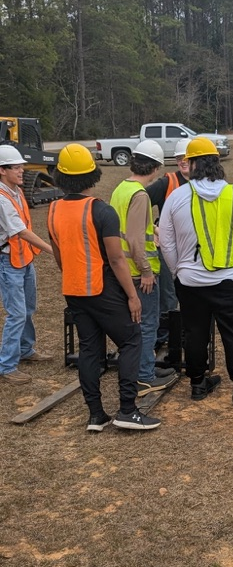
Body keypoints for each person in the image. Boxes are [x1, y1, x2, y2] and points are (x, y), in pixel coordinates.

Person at [47, 143, 160, 431]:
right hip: (102, 288)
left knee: (89, 350)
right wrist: (132, 297)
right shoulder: (101, 210)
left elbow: (60, 257)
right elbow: (117, 259)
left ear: (60, 177)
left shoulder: (53, 210)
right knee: (132, 339)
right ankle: (127, 410)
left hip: (73, 290)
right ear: (93, 175)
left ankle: (96, 415)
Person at [159, 136, 233, 411]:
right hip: (231, 281)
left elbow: (166, 243)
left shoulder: (177, 197)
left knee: (195, 334)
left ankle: (197, 384)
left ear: (191, 164)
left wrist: (177, 272)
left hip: (190, 283)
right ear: (217, 163)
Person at [110, 139, 177, 397]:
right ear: (155, 168)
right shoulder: (140, 195)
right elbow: (136, 238)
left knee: (137, 325)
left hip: (124, 269)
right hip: (139, 273)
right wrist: (147, 271)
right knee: (147, 324)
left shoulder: (121, 189)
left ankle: (144, 368)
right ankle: (145, 378)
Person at [0, 144, 54, 384]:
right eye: (16, 167)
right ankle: (7, 366)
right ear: (2, 170)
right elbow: (20, 231)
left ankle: (26, 349)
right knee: (17, 313)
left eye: (22, 166)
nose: (22, 170)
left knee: (28, 308)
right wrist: (51, 249)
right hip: (8, 261)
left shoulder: (16, 191)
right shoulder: (2, 198)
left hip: (23, 259)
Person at [148, 138, 190, 364]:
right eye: (179, 158)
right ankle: (165, 336)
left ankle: (185, 332)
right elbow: (140, 201)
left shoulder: (205, 181)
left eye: (187, 158)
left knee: (190, 293)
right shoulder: (168, 182)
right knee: (168, 296)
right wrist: (153, 228)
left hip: (193, 249)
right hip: (167, 249)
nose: (182, 162)